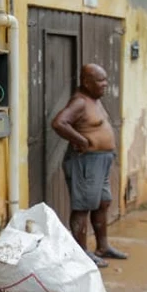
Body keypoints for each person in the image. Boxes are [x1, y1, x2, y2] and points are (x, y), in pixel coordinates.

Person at [51, 63, 127, 268]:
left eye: (105, 80)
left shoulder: (94, 99)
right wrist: (82, 141)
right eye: (99, 81)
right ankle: (80, 254)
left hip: (101, 160)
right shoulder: (80, 102)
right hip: (85, 161)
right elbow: (59, 123)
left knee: (102, 202)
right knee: (82, 207)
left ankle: (102, 247)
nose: (105, 84)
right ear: (86, 82)